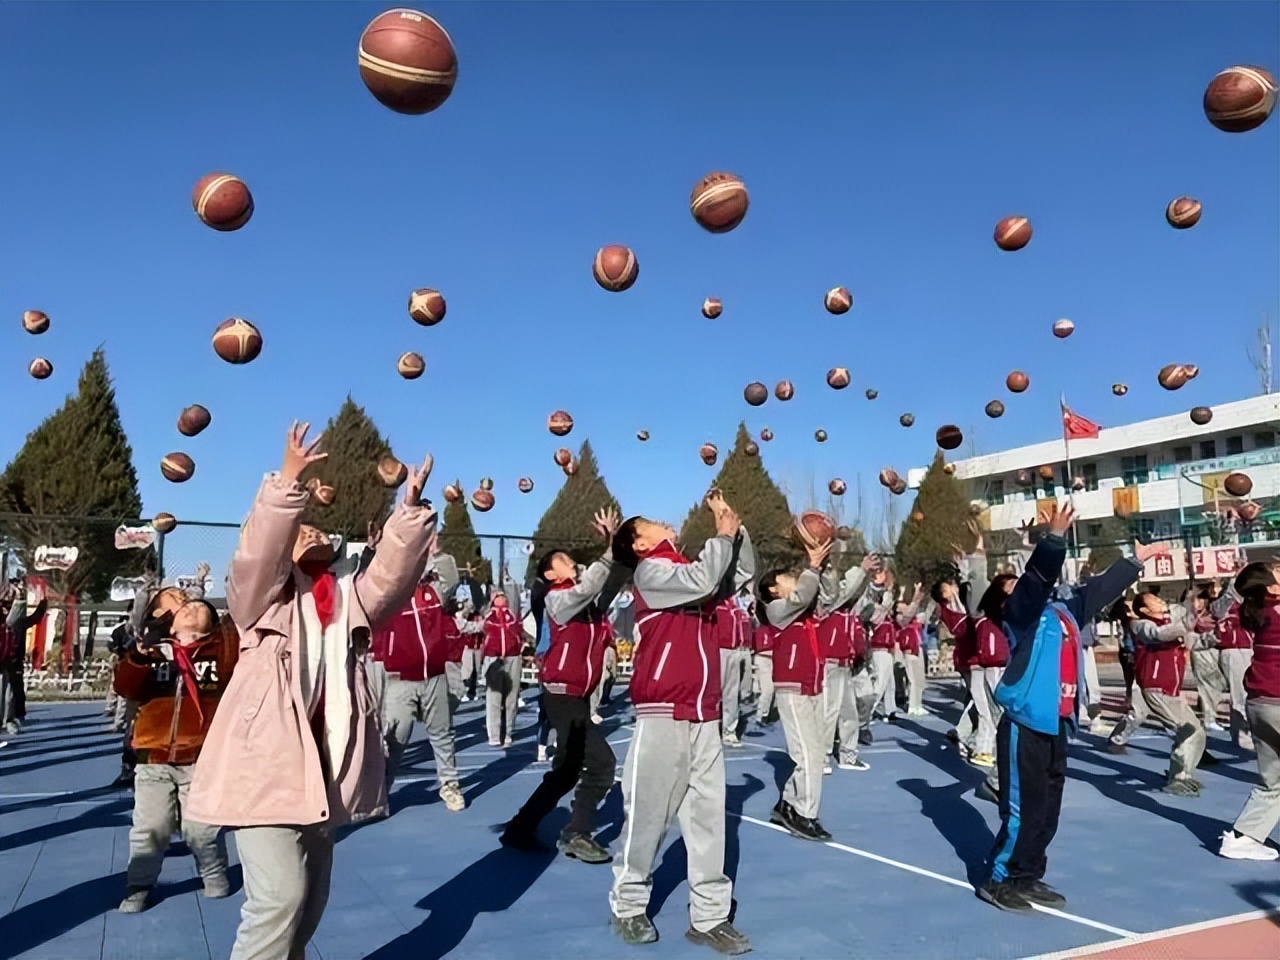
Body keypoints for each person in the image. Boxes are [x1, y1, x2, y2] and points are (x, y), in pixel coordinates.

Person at [186, 422, 437, 960]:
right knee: (279, 899)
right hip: (265, 770)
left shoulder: (346, 600)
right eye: (301, 530)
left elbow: (392, 578)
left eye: (318, 530)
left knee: (310, 903)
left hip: (325, 773)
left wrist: (409, 510)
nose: (313, 533)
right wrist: (289, 483)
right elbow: (257, 556)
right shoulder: (260, 605)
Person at [980, 504, 1151, 913]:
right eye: (1010, 586)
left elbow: (1096, 593)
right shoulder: (1021, 617)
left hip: (1057, 724)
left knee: (1048, 811)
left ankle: (1028, 874)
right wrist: (1053, 539)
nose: (1017, 588)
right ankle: (1000, 879)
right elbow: (1036, 580)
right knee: (1023, 808)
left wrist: (1133, 562)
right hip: (1025, 723)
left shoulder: (1062, 613)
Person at [608, 491, 755, 955]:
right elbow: (706, 573)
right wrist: (722, 536)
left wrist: (737, 530)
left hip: (705, 714)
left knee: (708, 819)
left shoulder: (690, 572)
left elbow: (741, 572)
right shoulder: (652, 573)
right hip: (663, 714)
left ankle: (709, 916)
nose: (663, 520)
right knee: (648, 817)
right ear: (639, 543)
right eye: (650, 521)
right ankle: (629, 906)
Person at [500, 508, 621, 862]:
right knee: (601, 764)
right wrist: (609, 551)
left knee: (566, 773)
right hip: (561, 696)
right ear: (552, 573)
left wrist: (616, 544)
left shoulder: (588, 605)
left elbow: (608, 583)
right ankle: (576, 832)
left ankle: (518, 829)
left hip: (578, 698)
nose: (573, 563)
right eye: (565, 561)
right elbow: (590, 585)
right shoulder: (558, 599)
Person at [114, 599, 236, 912]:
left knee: (202, 828)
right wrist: (141, 652)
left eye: (201, 608)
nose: (192, 609)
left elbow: (237, 624)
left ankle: (213, 871)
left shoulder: (219, 653)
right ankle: (139, 885)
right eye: (184, 608)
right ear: (170, 622)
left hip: (200, 757)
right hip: (153, 758)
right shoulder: (151, 653)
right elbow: (126, 686)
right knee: (151, 827)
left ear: (212, 624)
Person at [369, 546, 466, 812]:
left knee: (442, 734)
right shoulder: (390, 597)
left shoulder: (433, 594)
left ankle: (450, 786)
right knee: (395, 739)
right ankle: (380, 794)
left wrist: (437, 552)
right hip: (400, 678)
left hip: (434, 676)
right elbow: (369, 583)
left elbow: (452, 579)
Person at [1218, 562, 1280, 861]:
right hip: (1276, 700)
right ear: (1271, 587)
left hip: (1259, 702)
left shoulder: (1261, 612)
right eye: (1276, 569)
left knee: (1274, 780)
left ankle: (1243, 837)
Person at [1128, 590, 1207, 796]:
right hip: (1156, 687)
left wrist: (1212, 634)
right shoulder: (1141, 625)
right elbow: (1159, 634)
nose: (1160, 600)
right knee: (1188, 731)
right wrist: (1186, 624)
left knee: (1196, 732)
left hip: (1171, 690)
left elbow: (1192, 636)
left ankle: (1183, 774)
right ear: (1145, 609)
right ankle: (1178, 778)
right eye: (1153, 600)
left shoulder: (1169, 623)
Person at [817, 553, 879, 767]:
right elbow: (847, 590)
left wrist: (869, 577)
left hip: (846, 665)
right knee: (829, 712)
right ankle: (822, 756)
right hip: (829, 663)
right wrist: (861, 570)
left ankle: (848, 754)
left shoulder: (851, 612)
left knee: (849, 712)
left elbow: (864, 596)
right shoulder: (829, 606)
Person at [1212, 582, 1255, 750]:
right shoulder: (1223, 605)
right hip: (1233, 650)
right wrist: (1235, 584)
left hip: (1248, 649)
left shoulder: (1248, 605)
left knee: (1246, 693)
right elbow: (1217, 610)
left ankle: (1240, 733)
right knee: (1239, 694)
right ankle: (1243, 737)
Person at [1, 580, 47, 739]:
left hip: (12, 662)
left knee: (13, 693)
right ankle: (10, 719)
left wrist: (43, 603)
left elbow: (35, 617)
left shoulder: (16, 623)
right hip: (6, 662)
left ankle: (13, 718)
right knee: (8, 693)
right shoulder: (10, 622)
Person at [482, 591, 524, 747]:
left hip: (513, 657)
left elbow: (520, 631)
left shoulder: (512, 615)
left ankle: (508, 732)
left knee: (511, 698)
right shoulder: (488, 616)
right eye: (498, 596)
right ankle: (494, 734)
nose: (502, 598)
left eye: (503, 596)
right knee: (494, 698)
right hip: (494, 658)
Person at [717, 590, 752, 746]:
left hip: (737, 650)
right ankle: (710, 728)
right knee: (714, 692)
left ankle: (729, 730)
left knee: (732, 693)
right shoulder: (717, 604)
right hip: (719, 649)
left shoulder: (738, 606)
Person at [752, 617, 777, 728]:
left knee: (772, 690)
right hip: (763, 658)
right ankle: (761, 715)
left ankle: (766, 713)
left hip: (773, 659)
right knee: (768, 689)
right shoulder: (760, 629)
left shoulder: (775, 629)